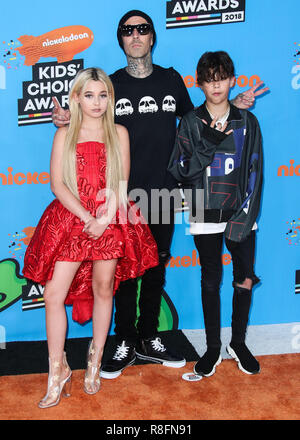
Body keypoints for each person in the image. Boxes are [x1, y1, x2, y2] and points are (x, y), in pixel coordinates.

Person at [52, 10, 268, 380]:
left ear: (152, 37)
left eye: (143, 29)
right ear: (121, 39)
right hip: (120, 195)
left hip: (166, 193)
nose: (136, 35)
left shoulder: (170, 79)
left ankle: (149, 337)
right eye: (128, 30)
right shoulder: (113, 83)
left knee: (153, 269)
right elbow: (93, 114)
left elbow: (198, 119)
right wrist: (67, 119)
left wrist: (235, 106)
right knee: (122, 272)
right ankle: (124, 339)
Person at [23, 67, 158, 408]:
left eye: (103, 95)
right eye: (89, 95)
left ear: (110, 98)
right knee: (53, 293)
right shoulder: (64, 133)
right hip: (72, 219)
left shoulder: (119, 132)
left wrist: (103, 217)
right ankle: (57, 371)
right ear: (77, 98)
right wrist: (86, 218)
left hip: (110, 217)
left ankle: (94, 361)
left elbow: (121, 183)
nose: (96, 102)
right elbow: (57, 184)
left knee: (103, 288)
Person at [168, 51, 263, 377]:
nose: (216, 85)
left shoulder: (246, 121)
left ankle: (238, 342)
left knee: (245, 278)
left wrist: (246, 213)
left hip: (240, 211)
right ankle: (211, 348)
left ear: (232, 80)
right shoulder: (192, 122)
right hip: (204, 211)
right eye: (209, 80)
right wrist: (208, 140)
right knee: (210, 281)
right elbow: (180, 170)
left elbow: (255, 171)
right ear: (200, 84)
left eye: (221, 78)